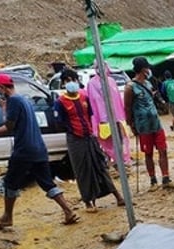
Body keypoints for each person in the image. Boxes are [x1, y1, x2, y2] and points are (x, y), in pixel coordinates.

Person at [0, 73, 79, 228]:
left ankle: (7, 217)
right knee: (46, 182)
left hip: (24, 149)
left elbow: (9, 125)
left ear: (3, 88)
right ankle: (68, 211)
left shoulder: (13, 101)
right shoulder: (23, 100)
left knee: (10, 182)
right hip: (38, 148)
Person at [53, 69, 125, 213]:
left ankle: (117, 196)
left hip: (90, 136)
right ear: (63, 83)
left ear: (76, 80)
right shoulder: (60, 102)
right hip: (75, 140)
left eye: (72, 79)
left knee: (100, 165)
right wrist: (74, 131)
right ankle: (88, 202)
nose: (70, 83)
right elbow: (59, 122)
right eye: (67, 81)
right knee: (82, 170)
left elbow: (91, 115)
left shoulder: (84, 97)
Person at [124, 56, 174, 191]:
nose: (149, 70)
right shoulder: (130, 87)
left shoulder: (149, 84)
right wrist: (131, 125)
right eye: (147, 68)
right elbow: (127, 108)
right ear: (143, 69)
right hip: (143, 126)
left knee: (163, 150)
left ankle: (166, 178)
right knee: (148, 153)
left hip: (156, 123)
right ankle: (153, 181)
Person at [86, 60, 132, 167]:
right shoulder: (92, 84)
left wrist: (122, 115)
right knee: (106, 142)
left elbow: (117, 99)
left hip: (117, 118)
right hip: (103, 120)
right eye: (98, 66)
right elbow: (94, 102)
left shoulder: (111, 81)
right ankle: (112, 162)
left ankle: (121, 161)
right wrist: (101, 119)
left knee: (120, 140)